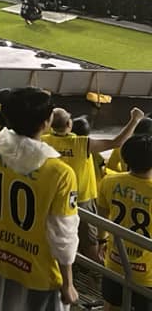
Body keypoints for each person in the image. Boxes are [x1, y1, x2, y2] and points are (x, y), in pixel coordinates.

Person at [0, 87, 79, 311]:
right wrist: (68, 284)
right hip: (38, 272)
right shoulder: (60, 173)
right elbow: (63, 235)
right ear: (46, 123)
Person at [44, 105, 145, 261]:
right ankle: (94, 267)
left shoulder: (44, 141)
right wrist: (135, 120)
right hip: (82, 200)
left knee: (59, 236)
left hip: (54, 197)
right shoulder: (82, 143)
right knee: (89, 241)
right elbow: (117, 142)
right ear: (69, 124)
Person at [97, 134, 152, 311]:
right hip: (147, 272)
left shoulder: (109, 181)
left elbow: (102, 217)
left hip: (115, 260)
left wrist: (101, 240)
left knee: (111, 304)